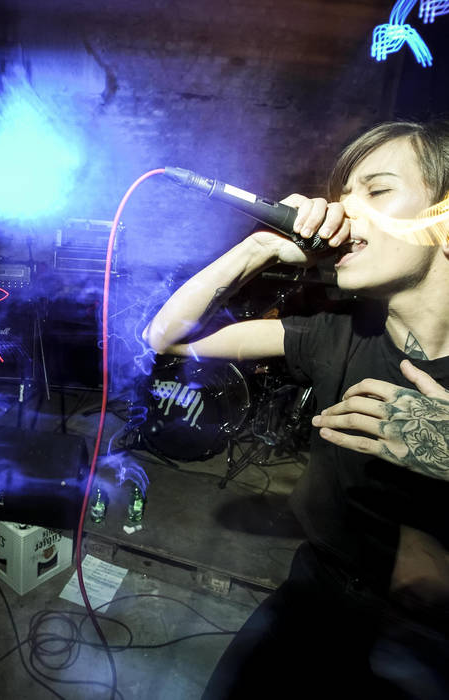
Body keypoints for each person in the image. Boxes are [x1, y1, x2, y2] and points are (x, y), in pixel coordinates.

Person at [145, 120, 449, 699]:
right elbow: (167, 339)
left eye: (378, 190)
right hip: (320, 593)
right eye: (344, 193)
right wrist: (260, 247)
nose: (343, 210)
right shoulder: (334, 333)